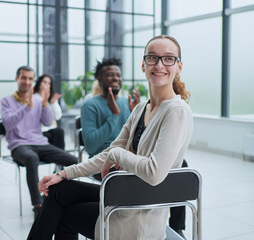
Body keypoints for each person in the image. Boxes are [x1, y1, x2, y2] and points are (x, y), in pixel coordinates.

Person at [27, 35, 193, 240]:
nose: (159, 64)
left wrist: (117, 154)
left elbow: (153, 172)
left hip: (138, 215)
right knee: (58, 190)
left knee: (61, 213)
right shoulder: (141, 108)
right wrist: (63, 174)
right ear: (143, 65)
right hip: (125, 194)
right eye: (152, 58)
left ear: (179, 66)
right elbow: (108, 152)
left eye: (168, 58)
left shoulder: (177, 111)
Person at [82, 58, 188, 238]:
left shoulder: (132, 104)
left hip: (129, 160)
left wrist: (135, 115)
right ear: (100, 80)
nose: (115, 78)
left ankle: (176, 226)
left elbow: (136, 141)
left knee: (181, 165)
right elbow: (92, 145)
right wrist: (114, 117)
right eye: (110, 75)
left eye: (118, 75)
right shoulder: (90, 105)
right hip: (108, 163)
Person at [0, 66, 78, 218]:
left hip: (41, 143)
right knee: (31, 158)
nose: (27, 81)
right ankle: (38, 205)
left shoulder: (37, 99)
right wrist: (26, 107)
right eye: (23, 78)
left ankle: (63, 197)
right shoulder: (6, 101)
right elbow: (8, 124)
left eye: (30, 78)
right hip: (19, 145)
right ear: (17, 79)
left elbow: (48, 121)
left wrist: (44, 104)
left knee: (73, 160)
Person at [33, 74, 65, 150]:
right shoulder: (33, 97)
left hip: (50, 128)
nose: (46, 85)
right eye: (44, 82)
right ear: (39, 83)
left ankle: (60, 159)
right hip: (38, 130)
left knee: (59, 131)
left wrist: (53, 103)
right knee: (50, 136)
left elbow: (58, 116)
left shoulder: (50, 99)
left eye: (49, 83)